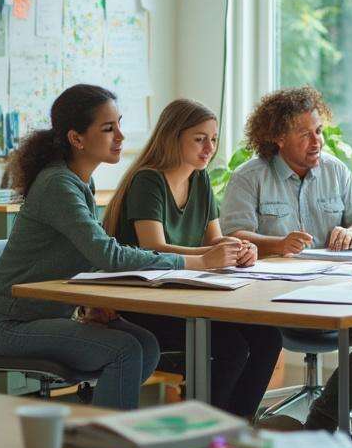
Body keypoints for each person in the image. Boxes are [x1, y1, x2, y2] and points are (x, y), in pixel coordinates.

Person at [0, 85, 245, 410]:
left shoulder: (81, 182)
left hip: (53, 315)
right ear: (76, 139)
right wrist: (197, 262)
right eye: (108, 129)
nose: (121, 135)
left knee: (146, 344)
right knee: (126, 349)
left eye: (119, 123)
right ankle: (108, 440)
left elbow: (84, 256)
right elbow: (108, 254)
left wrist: (85, 306)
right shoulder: (57, 185)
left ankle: (101, 422)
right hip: (12, 325)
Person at [220, 86, 352, 431]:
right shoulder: (249, 177)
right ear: (277, 137)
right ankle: (236, 424)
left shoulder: (336, 171)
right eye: (304, 134)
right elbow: (236, 236)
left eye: (318, 130)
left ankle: (324, 419)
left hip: (335, 294)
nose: (316, 141)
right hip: (275, 302)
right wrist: (278, 243)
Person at [101, 99, 282, 418]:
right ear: (174, 137)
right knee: (231, 346)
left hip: (185, 296)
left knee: (268, 337)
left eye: (213, 139)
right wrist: (212, 256)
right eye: (200, 139)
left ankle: (236, 426)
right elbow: (153, 249)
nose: (209, 147)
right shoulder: (148, 180)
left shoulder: (199, 179)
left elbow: (215, 241)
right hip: (145, 303)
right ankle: (204, 428)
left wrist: (240, 249)